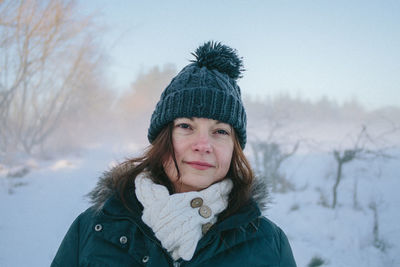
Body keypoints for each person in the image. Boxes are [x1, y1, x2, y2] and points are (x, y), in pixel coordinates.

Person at [51, 41, 297, 266]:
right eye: (186, 127)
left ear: (235, 148)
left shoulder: (268, 243)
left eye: (220, 131)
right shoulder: (92, 230)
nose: (203, 145)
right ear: (162, 138)